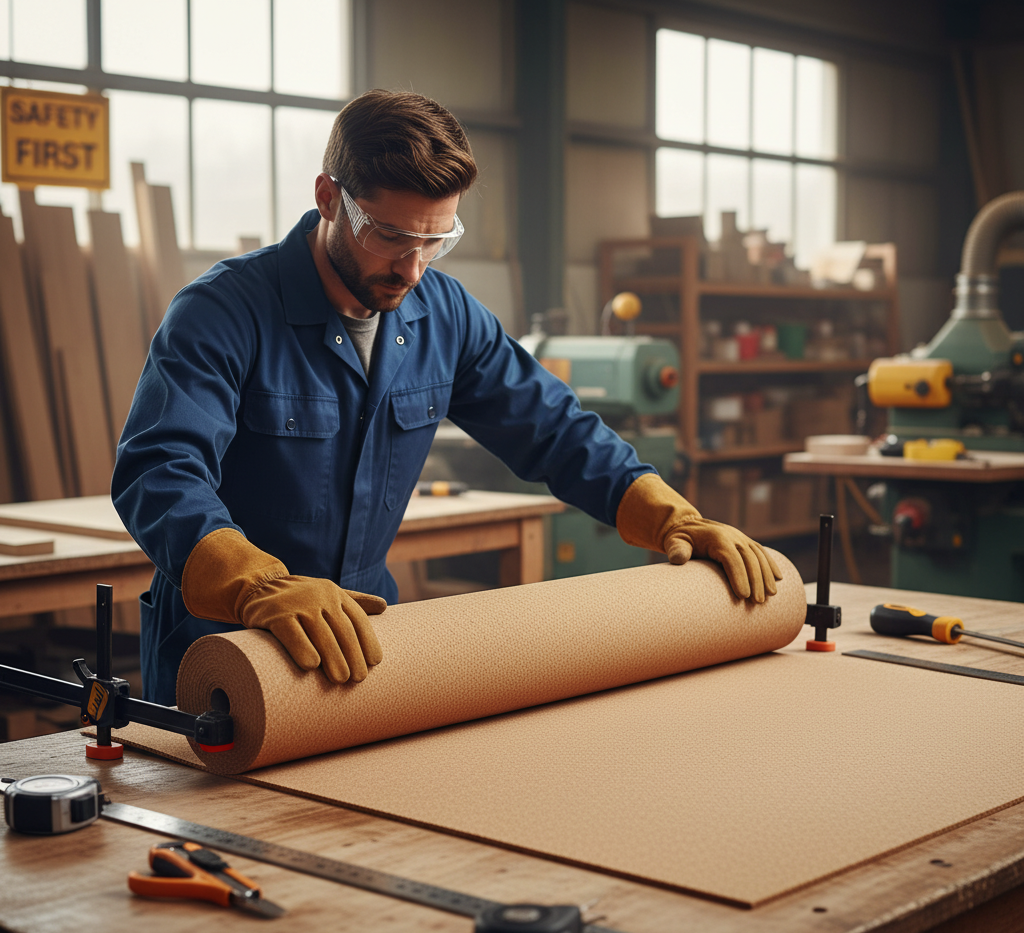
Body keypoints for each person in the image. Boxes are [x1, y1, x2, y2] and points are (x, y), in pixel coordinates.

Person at [112, 89, 781, 706]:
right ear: (327, 196)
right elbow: (160, 471)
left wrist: (671, 517)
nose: (412, 267)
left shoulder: (445, 314)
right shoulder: (223, 312)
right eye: (391, 235)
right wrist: (259, 587)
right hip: (223, 649)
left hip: (365, 643)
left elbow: (555, 429)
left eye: (436, 239)